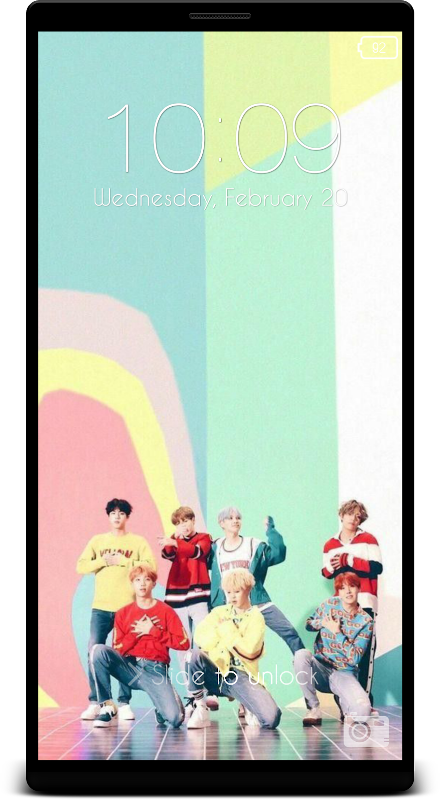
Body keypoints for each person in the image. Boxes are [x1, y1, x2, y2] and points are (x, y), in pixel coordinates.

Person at [77, 498, 156, 721]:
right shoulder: (98, 541)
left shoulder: (137, 542)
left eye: (121, 513)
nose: (117, 516)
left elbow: (151, 567)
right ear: (108, 516)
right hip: (101, 606)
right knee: (94, 651)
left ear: (127, 516)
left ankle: (124, 703)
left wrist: (124, 561)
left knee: (126, 653)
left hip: (127, 607)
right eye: (113, 513)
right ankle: (98, 701)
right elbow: (81, 565)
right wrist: (103, 561)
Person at [90, 564, 190, 728]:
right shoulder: (123, 613)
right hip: (129, 667)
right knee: (97, 650)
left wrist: (153, 631)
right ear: (132, 584)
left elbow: (184, 643)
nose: (142, 583)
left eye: (147, 579)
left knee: (176, 719)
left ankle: (161, 706)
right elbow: (118, 648)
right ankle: (107, 706)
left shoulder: (166, 611)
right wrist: (136, 633)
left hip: (155, 670)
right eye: (137, 580)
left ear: (154, 584)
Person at [186, 568, 281, 730]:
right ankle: (200, 707)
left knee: (272, 718)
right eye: (228, 592)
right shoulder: (219, 612)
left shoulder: (256, 617)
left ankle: (248, 704)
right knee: (194, 655)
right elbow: (201, 638)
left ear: (248, 590)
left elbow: (250, 652)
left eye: (237, 591)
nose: (232, 596)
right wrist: (229, 640)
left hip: (241, 675)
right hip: (216, 670)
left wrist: (226, 629)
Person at [322, 499, 383, 708]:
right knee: (342, 653)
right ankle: (345, 703)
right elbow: (326, 572)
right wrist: (334, 566)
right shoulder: (330, 544)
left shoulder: (368, 539)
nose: (353, 518)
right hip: (341, 606)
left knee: (363, 655)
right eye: (350, 513)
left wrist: (349, 560)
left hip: (365, 602)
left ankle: (365, 703)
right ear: (342, 515)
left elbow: (376, 568)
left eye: (358, 516)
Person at [294, 572, 373, 726]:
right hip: (320, 668)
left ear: (358, 588)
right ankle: (313, 708)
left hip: (344, 672)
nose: (348, 591)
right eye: (343, 588)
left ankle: (344, 703)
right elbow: (309, 624)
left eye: (352, 586)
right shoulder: (329, 605)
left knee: (363, 713)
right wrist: (323, 623)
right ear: (338, 591)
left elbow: (355, 658)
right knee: (301, 655)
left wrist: (337, 633)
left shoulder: (366, 621)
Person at [159, 506, 212, 685]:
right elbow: (167, 554)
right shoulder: (175, 540)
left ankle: (207, 686)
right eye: (179, 523)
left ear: (193, 520)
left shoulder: (204, 537)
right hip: (176, 598)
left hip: (199, 596)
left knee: (205, 642)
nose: (184, 525)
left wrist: (176, 543)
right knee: (182, 645)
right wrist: (172, 540)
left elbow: (198, 552)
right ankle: (192, 690)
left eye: (186, 520)